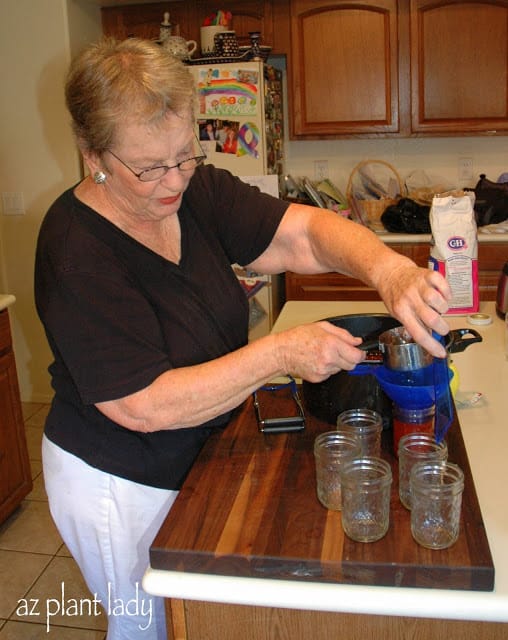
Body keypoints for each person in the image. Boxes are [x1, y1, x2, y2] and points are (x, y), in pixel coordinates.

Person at [34, 37, 451, 640]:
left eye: (185, 155)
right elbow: (142, 405)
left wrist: (389, 271)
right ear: (91, 153)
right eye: (150, 167)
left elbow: (303, 233)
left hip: (199, 454)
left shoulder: (195, 192)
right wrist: (279, 353)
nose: (174, 179)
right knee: (148, 626)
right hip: (118, 482)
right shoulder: (76, 250)